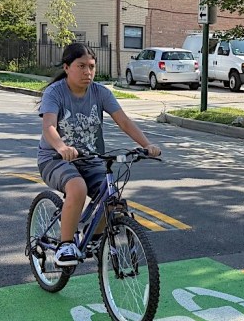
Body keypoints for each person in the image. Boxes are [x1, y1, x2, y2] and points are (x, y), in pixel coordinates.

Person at [37, 43, 162, 267]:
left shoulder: (100, 92)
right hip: (55, 159)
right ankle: (66, 244)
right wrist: (61, 147)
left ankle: (94, 238)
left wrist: (147, 145)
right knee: (77, 188)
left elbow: (123, 121)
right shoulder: (55, 92)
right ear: (67, 67)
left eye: (92, 67)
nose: (88, 72)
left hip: (91, 160)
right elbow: (49, 127)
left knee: (113, 198)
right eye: (81, 66)